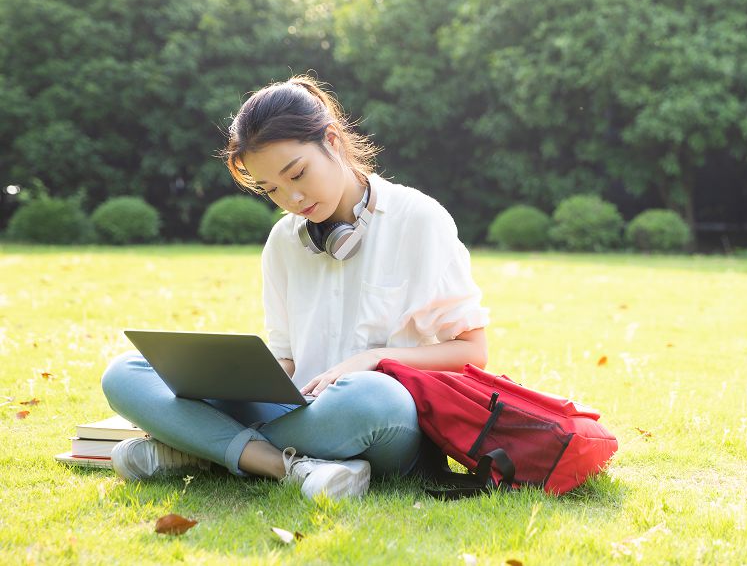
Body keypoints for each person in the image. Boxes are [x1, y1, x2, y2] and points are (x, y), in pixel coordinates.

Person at [100, 74, 491, 500]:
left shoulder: (419, 219)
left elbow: (472, 352)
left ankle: (201, 449)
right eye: (272, 190)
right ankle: (285, 467)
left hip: (382, 419)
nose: (292, 199)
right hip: (301, 412)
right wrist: (229, 382)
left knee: (372, 396)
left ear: (333, 142)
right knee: (125, 373)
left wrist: (374, 358)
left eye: (298, 174)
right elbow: (286, 360)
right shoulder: (284, 240)